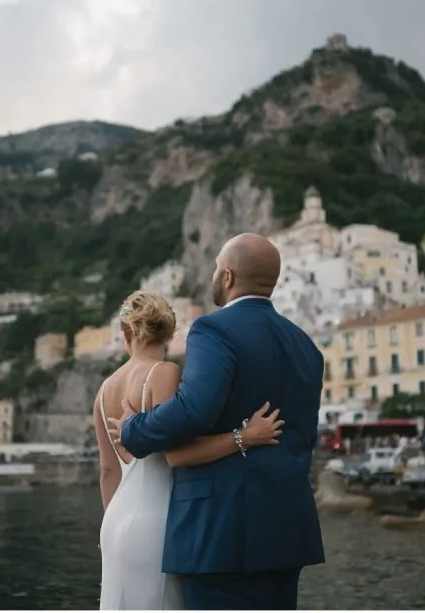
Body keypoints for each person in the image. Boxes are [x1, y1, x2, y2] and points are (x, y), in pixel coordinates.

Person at [110, 233, 326, 610]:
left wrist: (134, 428)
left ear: (227, 277)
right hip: (287, 529)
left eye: (214, 268)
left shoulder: (216, 330)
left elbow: (194, 409)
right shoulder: (305, 345)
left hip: (221, 532)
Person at [95, 289, 285, 610]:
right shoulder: (164, 373)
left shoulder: (104, 389)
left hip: (114, 522)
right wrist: (245, 436)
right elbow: (177, 454)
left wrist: (110, 531)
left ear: (126, 334)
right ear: (169, 333)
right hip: (156, 521)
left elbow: (107, 471)